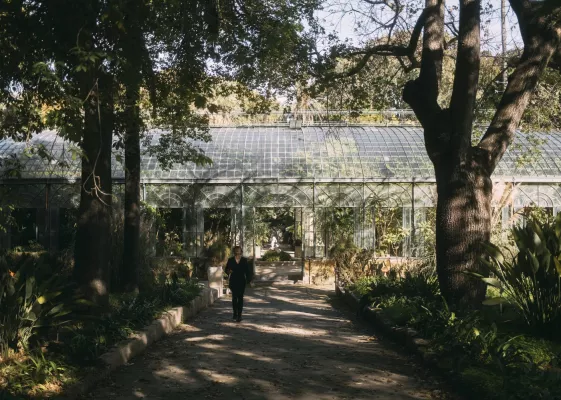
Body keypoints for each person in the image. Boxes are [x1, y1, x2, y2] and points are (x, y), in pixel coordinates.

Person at [225, 246, 252, 322]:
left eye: (239, 250)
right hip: (233, 280)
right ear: (234, 251)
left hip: (241, 281)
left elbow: (247, 271)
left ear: (241, 251)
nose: (237, 251)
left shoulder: (244, 260)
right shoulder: (230, 260)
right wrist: (228, 271)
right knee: (234, 297)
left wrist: (249, 281)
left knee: (240, 298)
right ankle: (234, 313)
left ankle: (239, 315)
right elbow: (226, 269)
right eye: (236, 250)